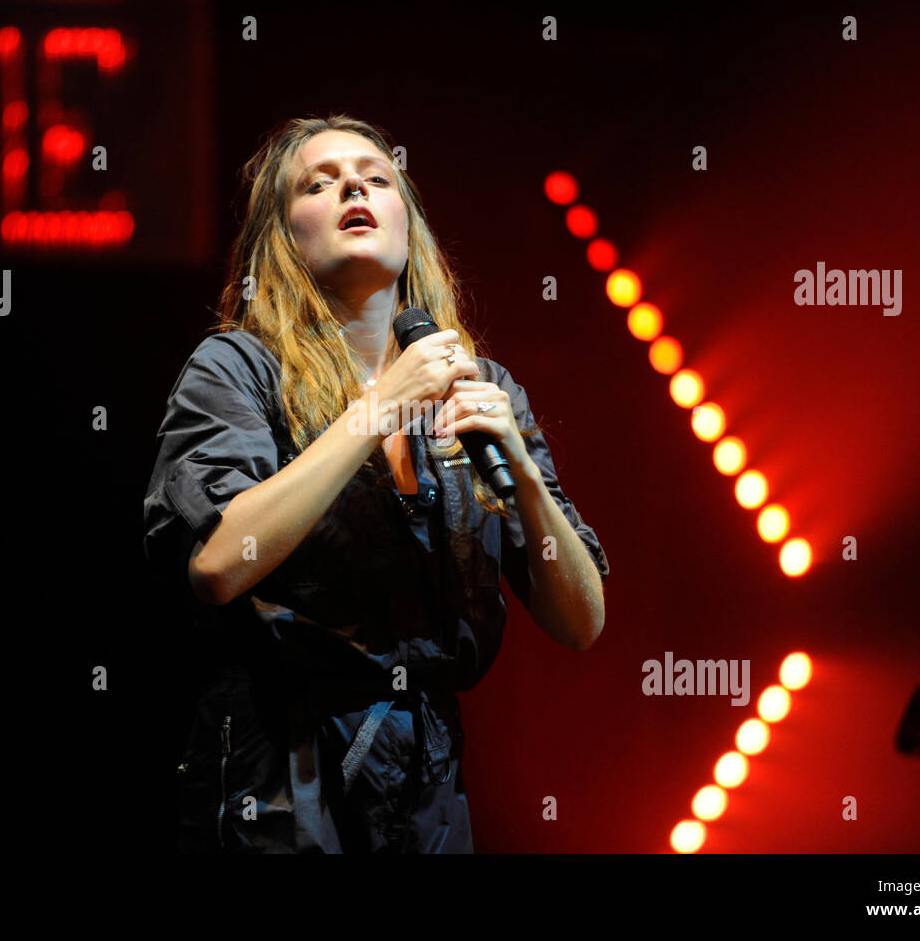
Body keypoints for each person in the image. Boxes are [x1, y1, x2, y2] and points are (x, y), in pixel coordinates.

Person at [143, 115, 610, 854]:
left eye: (375, 175)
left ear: (407, 222)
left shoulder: (480, 389)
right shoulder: (236, 369)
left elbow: (583, 621)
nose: (353, 185)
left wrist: (523, 476)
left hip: (427, 779)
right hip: (281, 772)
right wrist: (381, 405)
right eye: (318, 183)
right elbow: (216, 565)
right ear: (283, 239)